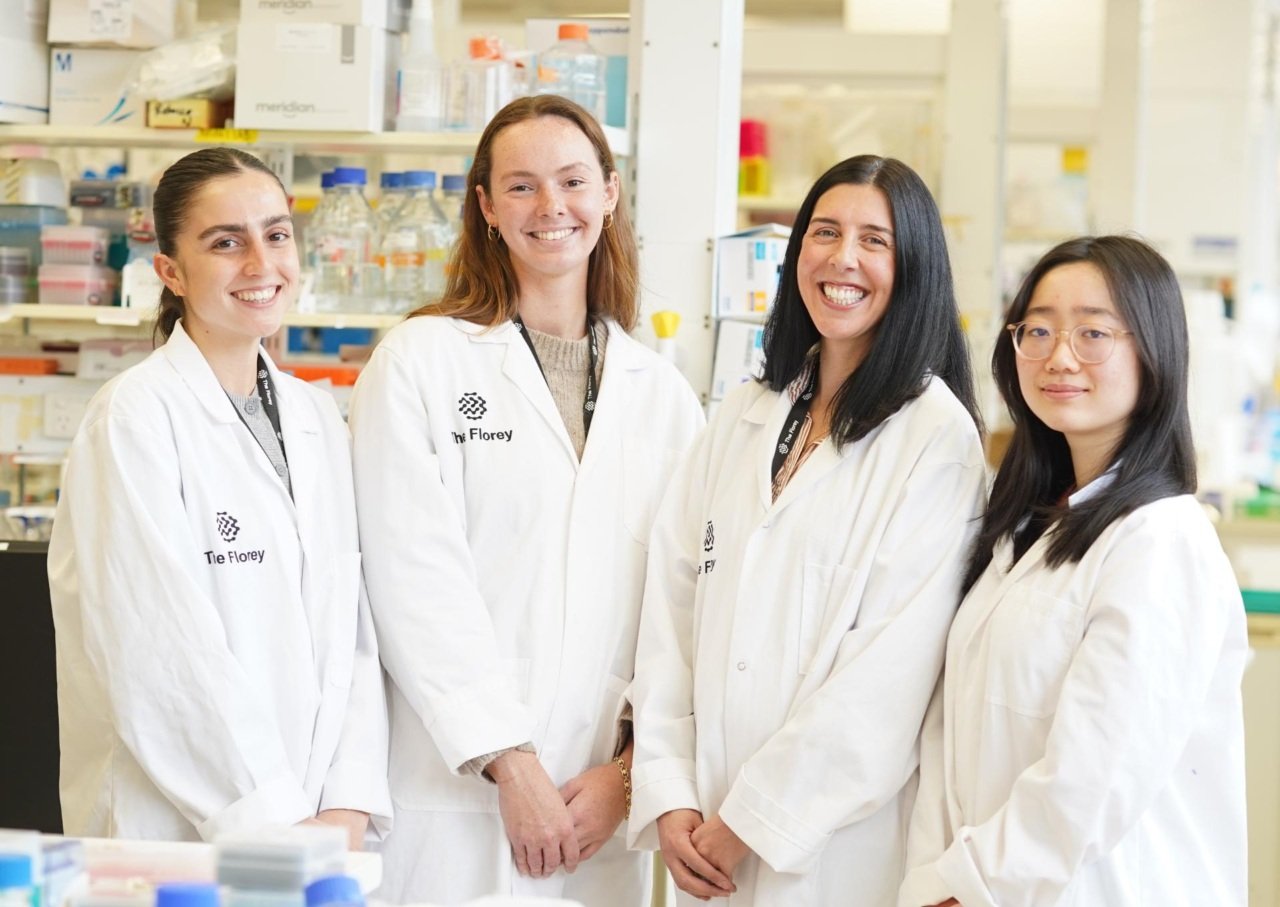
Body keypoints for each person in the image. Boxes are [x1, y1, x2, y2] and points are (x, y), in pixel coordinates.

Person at [347, 95, 704, 905]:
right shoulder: (419, 363)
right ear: (485, 207)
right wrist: (508, 759)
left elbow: (683, 611)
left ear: (610, 194)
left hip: (595, 813)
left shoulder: (665, 397)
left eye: (574, 181)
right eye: (521, 186)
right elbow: (411, 580)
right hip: (455, 793)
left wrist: (627, 772)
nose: (552, 208)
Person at [627, 154, 987, 905]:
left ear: (914, 267)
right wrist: (668, 789)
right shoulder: (747, 413)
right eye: (824, 232)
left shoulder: (934, 438)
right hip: (702, 839)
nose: (842, 258)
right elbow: (672, 606)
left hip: (829, 852)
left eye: (874, 241)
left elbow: (890, 678)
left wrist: (748, 821)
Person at [48, 147, 391, 846]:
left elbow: (350, 628)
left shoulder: (316, 415)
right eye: (225, 243)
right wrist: (274, 819)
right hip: (183, 827)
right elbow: (154, 647)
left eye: (276, 234)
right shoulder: (135, 418)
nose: (262, 265)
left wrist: (347, 802)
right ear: (169, 271)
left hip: (319, 820)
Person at [898, 236, 1248, 907]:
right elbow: (951, 739)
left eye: (1092, 332)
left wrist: (960, 889)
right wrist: (933, 879)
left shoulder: (1163, 542)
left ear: (1154, 350)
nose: (1060, 356)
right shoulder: (1026, 523)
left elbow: (1093, 778)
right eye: (1038, 329)